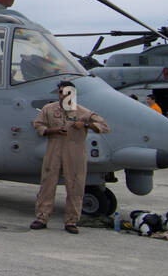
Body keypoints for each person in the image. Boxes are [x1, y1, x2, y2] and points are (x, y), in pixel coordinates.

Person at [31, 81, 110, 233]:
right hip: (54, 149)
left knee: (75, 186)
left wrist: (86, 125)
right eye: (61, 92)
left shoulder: (82, 112)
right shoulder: (49, 109)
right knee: (47, 183)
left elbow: (104, 126)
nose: (63, 95)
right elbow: (38, 125)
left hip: (74, 152)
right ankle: (41, 217)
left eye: (67, 92)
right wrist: (52, 131)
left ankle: (71, 221)